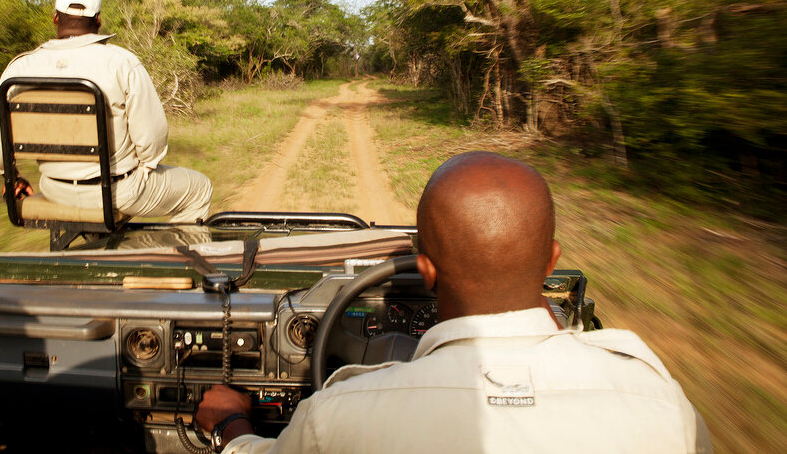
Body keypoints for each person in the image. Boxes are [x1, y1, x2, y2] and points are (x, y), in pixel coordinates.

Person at [196, 152, 711, 453]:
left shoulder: (339, 417)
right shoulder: (666, 408)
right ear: (551, 260)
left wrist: (229, 424)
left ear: (426, 271)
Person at [0, 0, 212, 223]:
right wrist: (142, 170)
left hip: (54, 189)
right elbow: (152, 141)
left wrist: (12, 177)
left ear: (55, 18)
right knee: (200, 189)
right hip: (118, 191)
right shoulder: (122, 63)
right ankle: (174, 258)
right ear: (98, 19)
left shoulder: (21, 68)